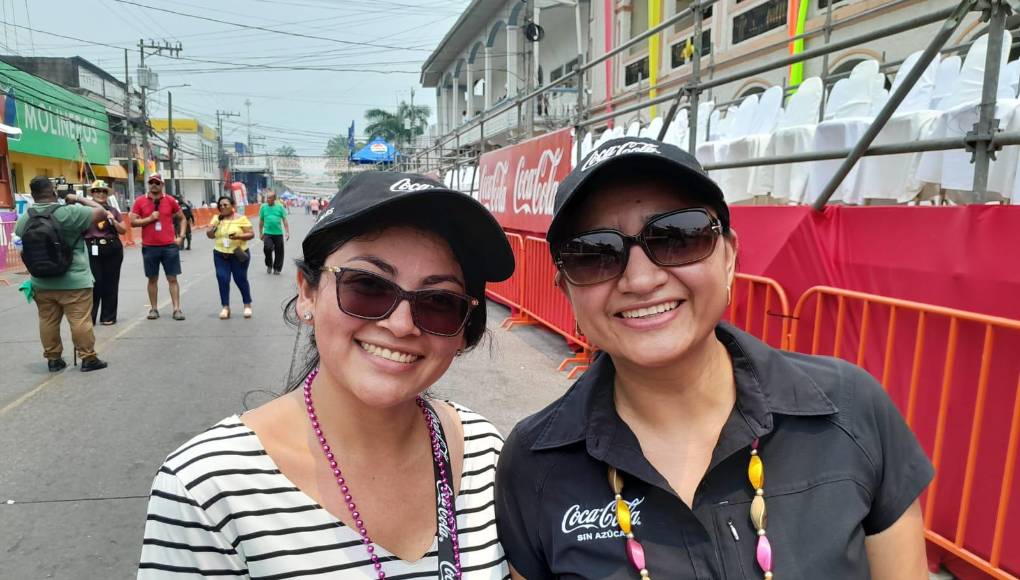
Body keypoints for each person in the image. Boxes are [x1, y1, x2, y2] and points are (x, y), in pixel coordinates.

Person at [495, 137, 934, 579]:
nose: (641, 279)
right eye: (594, 254)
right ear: (566, 290)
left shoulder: (850, 410)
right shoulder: (533, 465)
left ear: (730, 257)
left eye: (677, 236)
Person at [139, 172, 515, 578]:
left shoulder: (485, 451)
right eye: (368, 286)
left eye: (440, 301)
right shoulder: (207, 487)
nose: (401, 324)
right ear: (308, 292)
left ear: (463, 330)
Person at [16, 176, 109, 372]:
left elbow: (21, 238)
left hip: (41, 281)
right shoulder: (69, 212)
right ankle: (88, 358)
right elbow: (101, 212)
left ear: (32, 195)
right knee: (79, 320)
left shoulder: (26, 218)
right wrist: (78, 199)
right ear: (53, 191)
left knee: (47, 320)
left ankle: (53, 359)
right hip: (74, 280)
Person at [129, 174, 187, 321]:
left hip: (169, 246)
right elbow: (133, 222)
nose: (154, 185)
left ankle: (177, 309)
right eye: (151, 182)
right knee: (152, 279)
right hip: (150, 247)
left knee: (172, 278)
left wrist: (181, 237)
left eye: (157, 183)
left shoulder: (170, 200)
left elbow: (182, 218)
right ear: (149, 184)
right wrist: (150, 219)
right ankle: (154, 309)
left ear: (162, 185)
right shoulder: (140, 201)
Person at [84, 180, 126, 326]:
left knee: (111, 283)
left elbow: (123, 229)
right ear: (92, 193)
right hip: (92, 248)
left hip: (112, 248)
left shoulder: (113, 210)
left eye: (103, 191)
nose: (100, 194)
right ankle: (90, 317)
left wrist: (112, 220)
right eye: (97, 191)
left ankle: (108, 316)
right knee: (94, 283)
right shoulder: (84, 209)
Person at [207, 196, 254, 319]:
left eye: (225, 205)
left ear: (232, 205)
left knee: (240, 279)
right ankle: (225, 307)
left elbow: (251, 234)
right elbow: (209, 235)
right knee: (222, 279)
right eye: (220, 205)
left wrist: (239, 236)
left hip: (238, 253)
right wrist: (213, 227)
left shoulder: (241, 219)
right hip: (220, 254)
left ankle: (247, 305)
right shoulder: (216, 219)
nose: (222, 207)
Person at [259, 190, 290, 275]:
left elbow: (284, 220)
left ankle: (277, 268)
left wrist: (287, 232)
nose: (267, 199)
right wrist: (260, 233)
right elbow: (261, 220)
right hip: (267, 233)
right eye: (267, 197)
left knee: (279, 252)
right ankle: (269, 264)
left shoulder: (280, 207)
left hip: (278, 233)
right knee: (267, 248)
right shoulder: (263, 207)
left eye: (269, 198)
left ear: (274, 199)